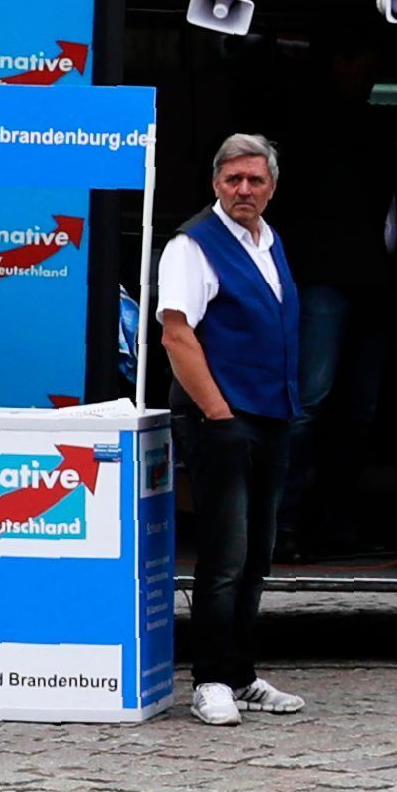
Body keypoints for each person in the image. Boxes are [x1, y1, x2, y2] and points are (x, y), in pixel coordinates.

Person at [157, 134, 308, 731]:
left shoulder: (270, 241)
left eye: (255, 180)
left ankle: (242, 675)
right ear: (215, 183)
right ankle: (211, 681)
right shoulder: (192, 245)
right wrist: (219, 415)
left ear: (272, 186)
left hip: (270, 416)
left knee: (256, 558)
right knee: (224, 556)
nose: (244, 190)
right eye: (233, 180)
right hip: (220, 419)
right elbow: (177, 335)